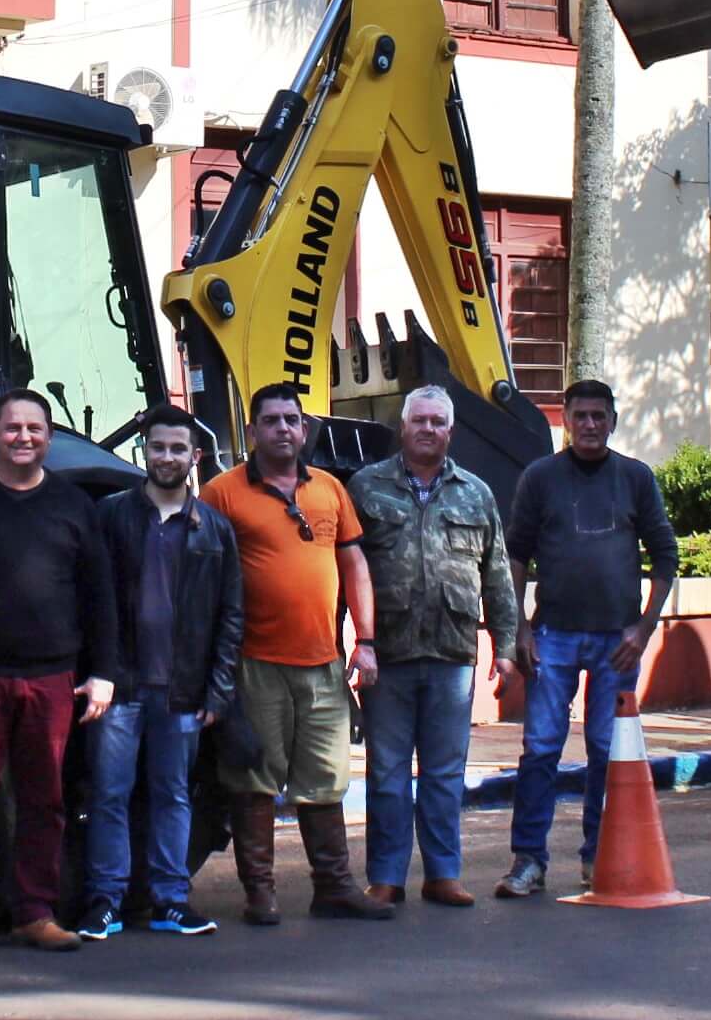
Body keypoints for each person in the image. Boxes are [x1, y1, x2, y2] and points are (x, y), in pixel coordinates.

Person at [0, 387, 121, 957]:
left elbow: (99, 597)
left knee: (47, 801)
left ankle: (35, 912)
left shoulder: (73, 505)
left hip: (51, 679)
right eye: (12, 428)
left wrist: (104, 671)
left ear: (49, 437)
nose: (23, 438)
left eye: (34, 429)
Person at [199, 384, 392, 925]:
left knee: (326, 779)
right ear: (253, 430)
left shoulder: (331, 488)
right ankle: (259, 893)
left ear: (304, 430)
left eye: (291, 420)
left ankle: (333, 886)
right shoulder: (221, 493)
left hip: (325, 664)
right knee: (254, 780)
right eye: (271, 420)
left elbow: (354, 566)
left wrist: (367, 642)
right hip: (254, 663)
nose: (283, 429)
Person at [498, 378, 680, 900]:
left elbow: (666, 557)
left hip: (616, 643)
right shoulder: (540, 478)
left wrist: (643, 629)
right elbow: (515, 555)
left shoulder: (636, 478)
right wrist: (520, 628)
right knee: (540, 750)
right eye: (580, 416)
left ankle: (598, 859)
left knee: (606, 750)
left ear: (613, 421)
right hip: (551, 637)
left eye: (599, 416)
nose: (590, 425)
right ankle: (528, 861)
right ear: (567, 422)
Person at [76, 404, 243, 941]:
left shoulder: (216, 529)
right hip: (120, 686)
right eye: (157, 447)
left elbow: (230, 615)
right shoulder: (110, 516)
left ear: (195, 457)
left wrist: (218, 690)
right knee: (109, 793)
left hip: (183, 691)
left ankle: (172, 900)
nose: (166, 457)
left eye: (177, 449)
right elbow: (90, 603)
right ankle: (106, 901)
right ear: (143, 451)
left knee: (173, 794)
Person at [348, 384, 516, 908]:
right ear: (403, 426)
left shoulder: (477, 493)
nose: (427, 429)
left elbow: (498, 576)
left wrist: (506, 644)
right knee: (387, 773)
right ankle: (386, 877)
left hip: (451, 656)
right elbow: (344, 571)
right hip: (388, 656)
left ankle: (443, 874)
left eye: (437, 422)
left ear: (450, 431)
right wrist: (341, 646)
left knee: (445, 774)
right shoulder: (365, 487)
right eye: (419, 420)